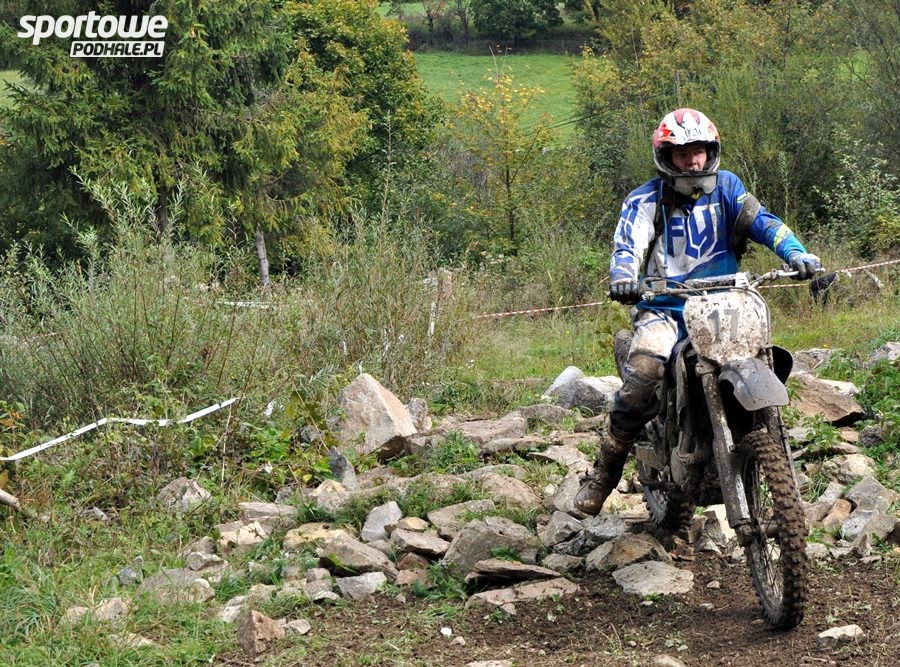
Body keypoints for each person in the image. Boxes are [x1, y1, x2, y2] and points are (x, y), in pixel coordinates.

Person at [574, 108, 821, 515]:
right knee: (644, 375)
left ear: (711, 152)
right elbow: (628, 245)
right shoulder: (644, 199)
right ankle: (605, 472)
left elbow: (764, 222)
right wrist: (623, 277)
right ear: (666, 158)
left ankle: (762, 444)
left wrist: (796, 253)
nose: (693, 161)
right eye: (682, 153)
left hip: (727, 303)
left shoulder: (729, 187)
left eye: (699, 151)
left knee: (763, 356)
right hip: (665, 308)